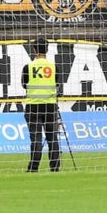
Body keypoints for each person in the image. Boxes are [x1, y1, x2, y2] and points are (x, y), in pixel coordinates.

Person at [24, 38, 61, 173]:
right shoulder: (53, 67)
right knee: (52, 138)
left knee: (36, 138)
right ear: (47, 49)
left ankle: (33, 168)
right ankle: (55, 167)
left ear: (34, 50)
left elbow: (24, 84)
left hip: (33, 106)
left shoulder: (28, 67)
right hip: (50, 106)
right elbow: (57, 84)